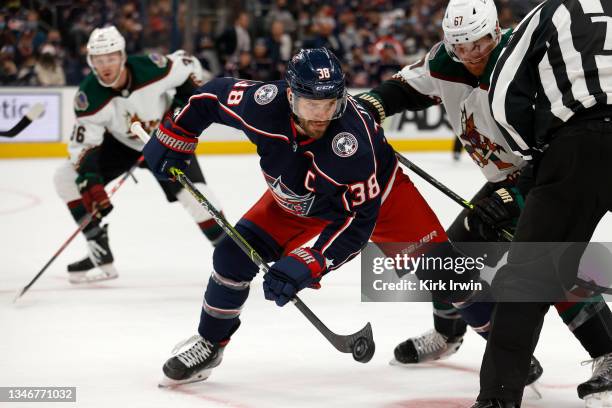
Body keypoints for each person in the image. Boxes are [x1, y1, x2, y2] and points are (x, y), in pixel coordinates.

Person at [142, 47, 490, 386]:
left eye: (330, 104)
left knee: (443, 270)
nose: (321, 115)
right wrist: (175, 133)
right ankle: (209, 344)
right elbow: (212, 97)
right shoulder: (263, 103)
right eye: (311, 104)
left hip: (378, 199)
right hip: (296, 201)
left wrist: (311, 261)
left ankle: (504, 350)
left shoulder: (351, 145)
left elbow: (358, 221)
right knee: (232, 257)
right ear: (290, 96)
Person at [357, 0, 612, 404]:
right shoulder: (443, 61)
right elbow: (405, 88)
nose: (472, 54)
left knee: (548, 265)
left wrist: (520, 190)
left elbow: (555, 129)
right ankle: (449, 333)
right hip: (501, 181)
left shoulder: (525, 53)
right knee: (447, 255)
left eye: (480, 43)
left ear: (496, 32)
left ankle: (606, 351)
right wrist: (370, 105)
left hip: (543, 176)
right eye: (462, 46)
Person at [478, 0, 612, 406]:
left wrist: (538, 154)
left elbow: (504, 98)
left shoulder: (548, 11)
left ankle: (498, 399)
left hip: (579, 146)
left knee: (527, 280)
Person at [53, 26, 224, 284]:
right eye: (99, 60)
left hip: (166, 138)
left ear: (122, 56)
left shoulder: (151, 68)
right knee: (65, 178)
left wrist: (179, 114)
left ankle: (231, 257)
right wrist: (91, 180)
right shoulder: (89, 96)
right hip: (121, 144)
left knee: (199, 197)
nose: (106, 65)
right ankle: (99, 251)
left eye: (111, 57)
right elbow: (84, 146)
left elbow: (190, 66)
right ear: (91, 62)